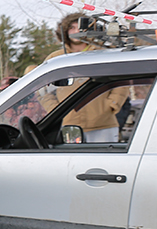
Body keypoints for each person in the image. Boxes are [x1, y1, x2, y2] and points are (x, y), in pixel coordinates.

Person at [44, 12, 129, 142]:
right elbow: (43, 89)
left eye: (80, 28)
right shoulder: (56, 58)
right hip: (69, 125)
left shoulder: (104, 53)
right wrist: (55, 109)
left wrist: (112, 104)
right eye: (71, 28)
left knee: (105, 160)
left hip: (104, 123)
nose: (76, 31)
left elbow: (122, 79)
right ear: (64, 32)